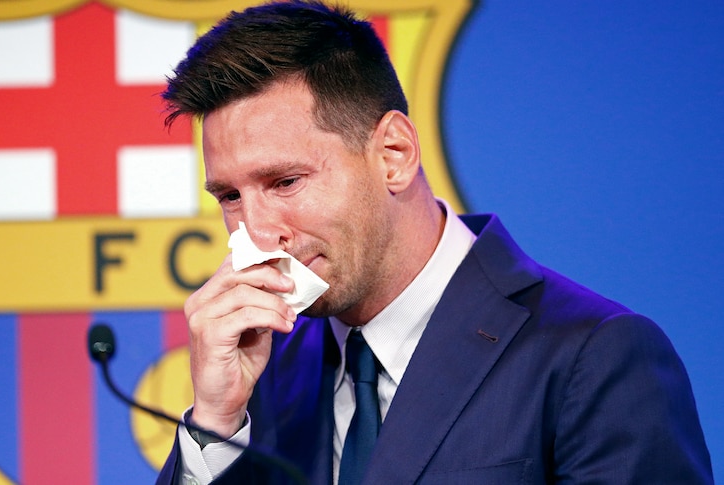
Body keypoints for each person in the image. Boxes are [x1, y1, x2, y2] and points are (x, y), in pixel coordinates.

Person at [156, 1, 713, 483]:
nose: (253, 233)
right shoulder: (261, 368)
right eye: (229, 195)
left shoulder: (593, 356)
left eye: (285, 182)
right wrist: (214, 423)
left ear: (394, 155)